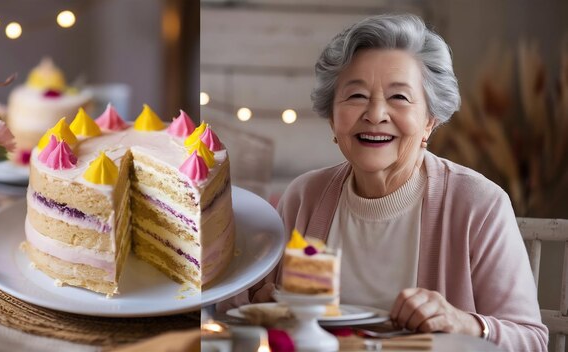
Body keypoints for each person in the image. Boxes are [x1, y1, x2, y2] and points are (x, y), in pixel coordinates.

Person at [218, 14, 548, 351]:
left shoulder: (479, 204)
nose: (375, 114)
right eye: (356, 95)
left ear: (430, 121)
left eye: (399, 98)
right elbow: (234, 309)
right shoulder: (305, 197)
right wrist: (263, 308)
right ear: (333, 117)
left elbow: (532, 340)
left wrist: (467, 323)